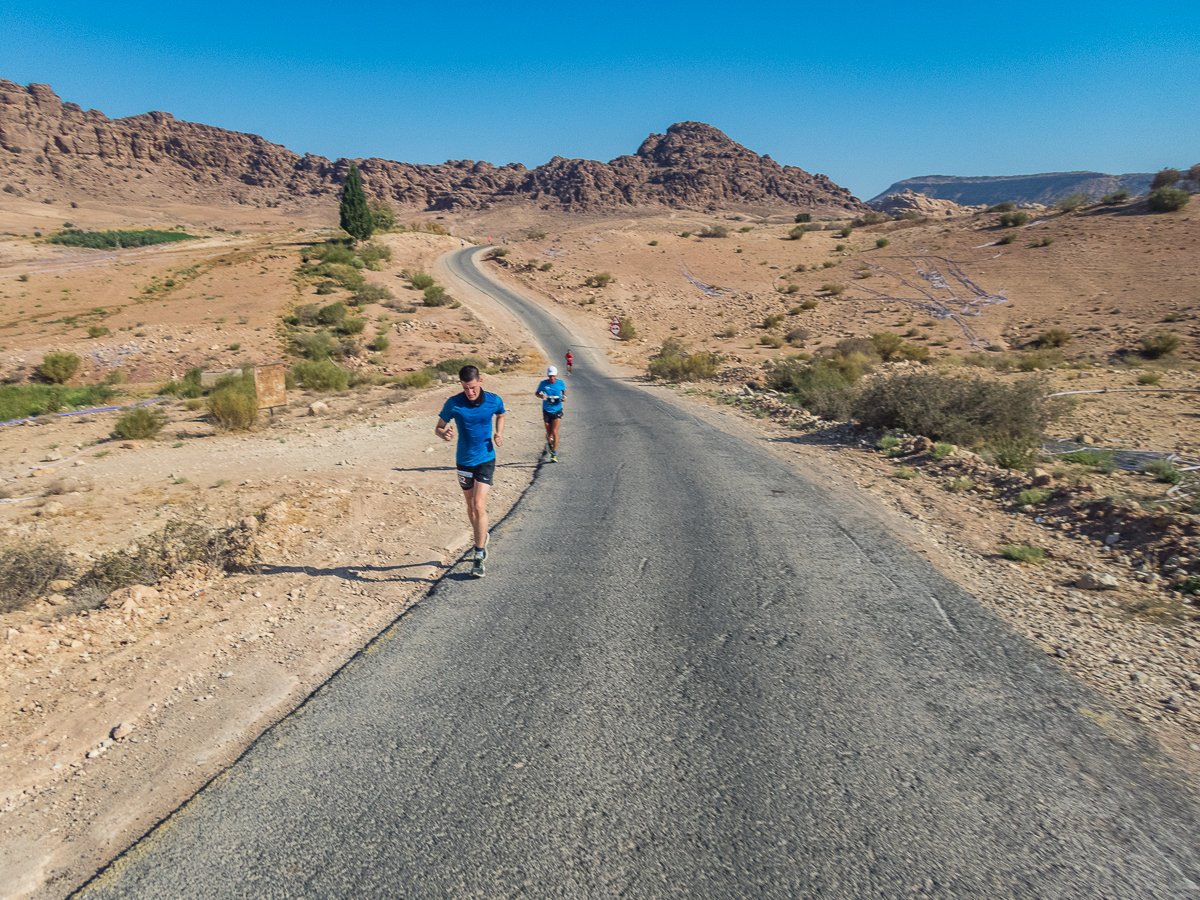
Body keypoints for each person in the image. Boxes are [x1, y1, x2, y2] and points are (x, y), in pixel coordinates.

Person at [435, 365, 505, 578]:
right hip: (463, 462)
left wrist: (498, 433)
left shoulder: (493, 400)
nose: (470, 392)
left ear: (480, 381)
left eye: (473, 387)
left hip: (486, 458)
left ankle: (478, 553)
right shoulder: (453, 403)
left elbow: (501, 414)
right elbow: (438, 427)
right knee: (470, 506)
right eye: (465, 388)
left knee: (478, 504)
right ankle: (481, 535)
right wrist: (444, 434)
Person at [536, 365, 566, 462]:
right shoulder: (543, 384)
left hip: (557, 410)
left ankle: (554, 453)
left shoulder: (561, 383)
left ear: (556, 375)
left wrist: (564, 397)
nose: (551, 378)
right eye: (549, 376)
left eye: (553, 376)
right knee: (549, 434)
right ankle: (549, 444)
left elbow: (564, 391)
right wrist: (541, 396)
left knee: (555, 431)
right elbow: (536, 393)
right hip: (546, 410)